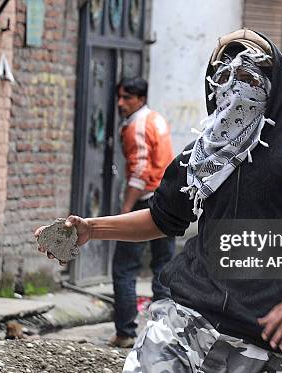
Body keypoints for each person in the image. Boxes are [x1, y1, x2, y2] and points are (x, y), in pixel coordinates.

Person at [37, 29, 282, 372]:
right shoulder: (199, 157)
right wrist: (92, 228)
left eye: (248, 75)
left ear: (273, 84)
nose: (236, 87)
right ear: (212, 86)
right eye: (225, 76)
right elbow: (162, 219)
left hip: (261, 334)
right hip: (187, 318)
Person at [109, 77, 176, 348]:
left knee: (124, 267)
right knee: (163, 266)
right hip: (168, 200)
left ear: (140, 98)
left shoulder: (137, 125)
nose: (120, 103)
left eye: (126, 98)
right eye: (119, 97)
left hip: (146, 201)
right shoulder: (156, 119)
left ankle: (125, 332)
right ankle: (163, 334)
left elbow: (139, 172)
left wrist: (125, 209)